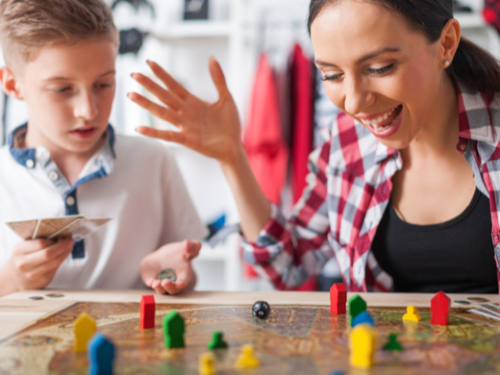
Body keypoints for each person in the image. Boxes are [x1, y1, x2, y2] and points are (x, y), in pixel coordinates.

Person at [129, 0, 500, 294]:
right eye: (332, 75)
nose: (353, 103)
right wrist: (232, 156)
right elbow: (289, 266)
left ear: (446, 44)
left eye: (381, 67)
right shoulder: (345, 141)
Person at [0, 0, 207, 298]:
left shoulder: (153, 162)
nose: (88, 110)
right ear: (12, 84)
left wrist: (173, 274)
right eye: (62, 88)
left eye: (103, 84)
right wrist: (10, 281)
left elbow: (184, 271)